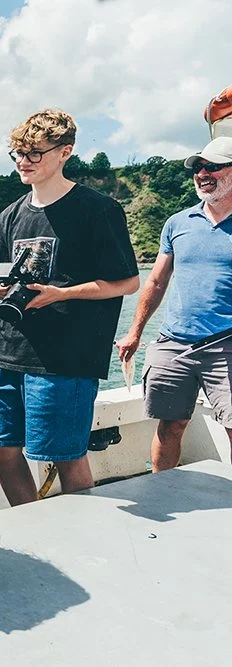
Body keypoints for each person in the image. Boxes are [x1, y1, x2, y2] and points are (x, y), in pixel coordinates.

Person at [0, 109, 139, 506]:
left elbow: (127, 282)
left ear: (65, 152)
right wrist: (0, 288)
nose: (23, 161)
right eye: (17, 153)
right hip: (8, 351)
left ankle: (82, 536)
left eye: (34, 153)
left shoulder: (97, 209)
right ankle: (34, 527)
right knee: (1, 449)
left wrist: (62, 294)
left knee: (66, 456)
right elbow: (0, 273)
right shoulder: (10, 214)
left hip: (66, 358)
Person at [116, 136, 232, 471]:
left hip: (226, 344)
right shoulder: (178, 223)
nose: (203, 173)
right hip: (174, 343)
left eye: (213, 166)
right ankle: (163, 491)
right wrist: (135, 332)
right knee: (170, 425)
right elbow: (156, 280)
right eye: (198, 167)